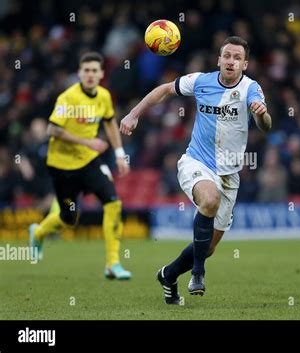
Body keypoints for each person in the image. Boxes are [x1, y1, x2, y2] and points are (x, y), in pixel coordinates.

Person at [120, 36, 271, 304]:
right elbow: (165, 89)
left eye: (237, 58)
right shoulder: (201, 81)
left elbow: (266, 125)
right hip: (196, 162)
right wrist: (134, 114)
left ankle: (168, 274)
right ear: (219, 60)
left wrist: (260, 114)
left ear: (245, 64)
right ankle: (198, 274)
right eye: (227, 55)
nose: (231, 61)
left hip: (229, 174)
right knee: (209, 200)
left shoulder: (251, 89)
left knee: (208, 247)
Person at [29, 52, 132, 280]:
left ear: (101, 74)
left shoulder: (104, 96)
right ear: (79, 73)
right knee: (69, 219)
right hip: (62, 166)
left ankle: (113, 264)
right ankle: (39, 231)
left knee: (113, 202)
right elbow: (52, 130)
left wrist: (119, 153)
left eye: (95, 70)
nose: (90, 74)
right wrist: (88, 141)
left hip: (88, 161)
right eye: (86, 70)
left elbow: (110, 123)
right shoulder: (68, 98)